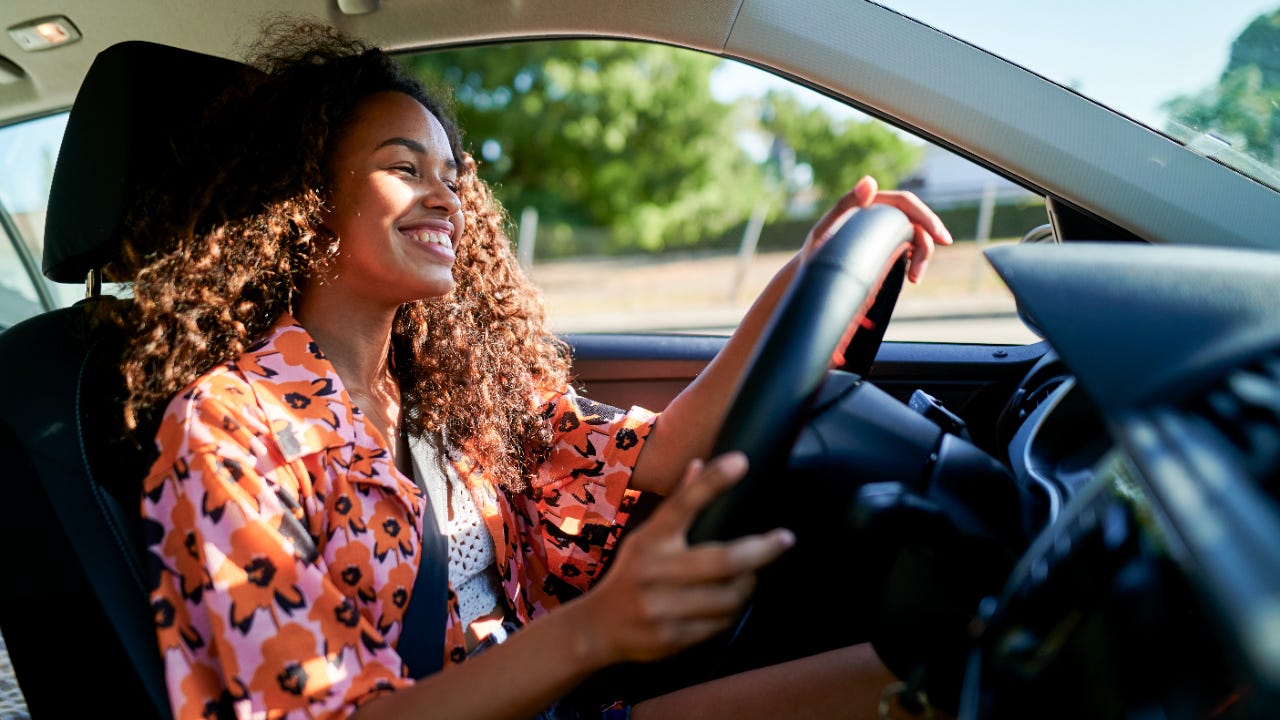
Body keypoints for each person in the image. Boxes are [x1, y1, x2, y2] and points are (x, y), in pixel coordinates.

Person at [121, 19, 954, 720]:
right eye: (405, 169)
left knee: (942, 673)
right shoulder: (228, 426)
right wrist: (596, 629)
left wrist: (807, 274)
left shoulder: (450, 394)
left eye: (451, 176)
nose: (446, 198)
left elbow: (660, 454)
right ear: (306, 197)